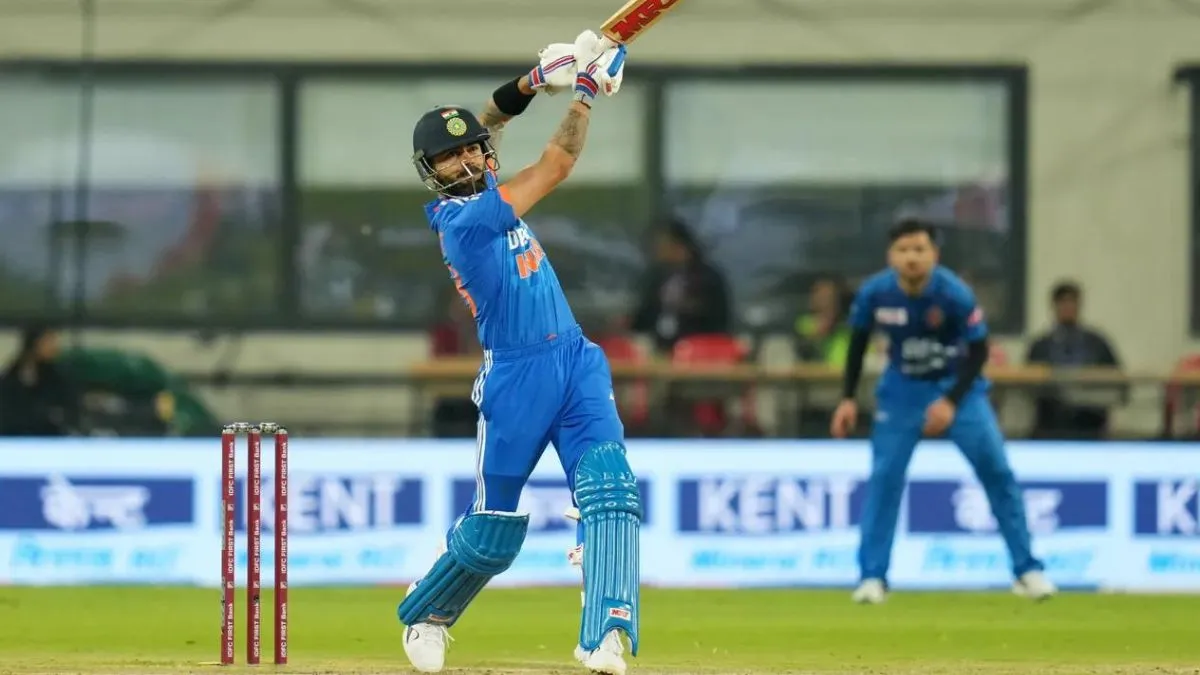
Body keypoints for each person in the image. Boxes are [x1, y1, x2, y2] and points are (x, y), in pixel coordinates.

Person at [396, 32, 639, 675]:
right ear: (432, 172)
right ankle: (428, 613)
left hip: (576, 359)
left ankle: (605, 634)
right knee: (494, 530)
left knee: (611, 491)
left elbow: (489, 116)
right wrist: (584, 91)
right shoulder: (464, 222)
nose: (467, 158)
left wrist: (535, 80)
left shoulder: (482, 182)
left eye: (471, 148)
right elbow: (556, 165)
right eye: (449, 157)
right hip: (516, 375)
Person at [830, 218, 1055, 604]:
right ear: (890, 256)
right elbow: (858, 343)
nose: (912, 258)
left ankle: (1027, 570)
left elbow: (979, 351)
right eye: (903, 250)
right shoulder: (876, 293)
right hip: (901, 393)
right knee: (884, 479)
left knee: (997, 472)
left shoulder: (954, 294)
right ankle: (872, 577)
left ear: (934, 254)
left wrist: (950, 402)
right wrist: (848, 397)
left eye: (919, 250)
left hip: (958, 391)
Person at [1026, 281, 1121, 439]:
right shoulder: (1041, 346)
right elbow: (1029, 385)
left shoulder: (1097, 343)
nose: (1068, 307)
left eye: (1072, 302)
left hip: (1090, 422)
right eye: (1063, 303)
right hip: (1051, 423)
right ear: (1054, 307)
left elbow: (1116, 379)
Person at [628, 217, 731, 356]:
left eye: (662, 245)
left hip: (698, 350)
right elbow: (646, 312)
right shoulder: (656, 277)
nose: (657, 251)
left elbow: (716, 319)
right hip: (657, 345)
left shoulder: (708, 278)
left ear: (679, 246)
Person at [0, 324, 77, 437]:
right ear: (35, 344)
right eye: (49, 342)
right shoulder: (12, 375)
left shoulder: (59, 376)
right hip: (15, 435)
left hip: (48, 435)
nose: (55, 347)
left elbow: (68, 407)